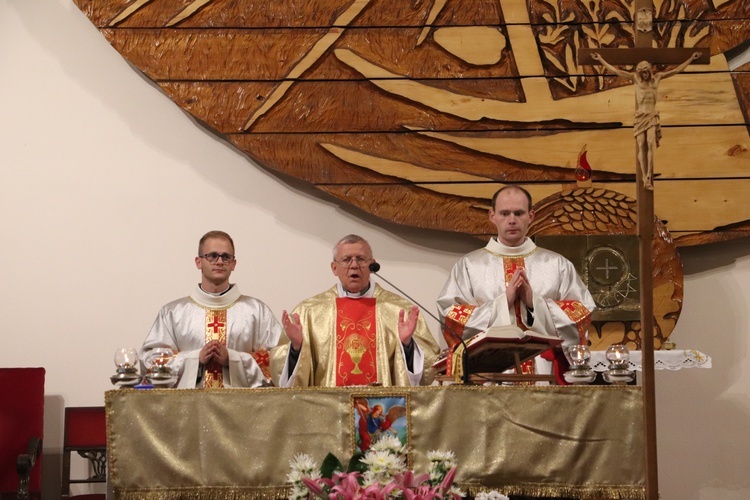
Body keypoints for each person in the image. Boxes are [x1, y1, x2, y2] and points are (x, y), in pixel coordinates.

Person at [437, 186, 596, 381]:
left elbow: (581, 312)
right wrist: (502, 303)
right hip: (490, 374)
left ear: (531, 216)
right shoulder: (469, 265)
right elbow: (451, 316)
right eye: (504, 213)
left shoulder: (556, 264)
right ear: (492, 216)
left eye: (519, 213)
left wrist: (533, 304)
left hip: (544, 372)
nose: (512, 220)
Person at [270, 234, 441, 387]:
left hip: (382, 409)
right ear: (334, 268)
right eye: (346, 260)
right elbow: (282, 374)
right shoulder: (309, 312)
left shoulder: (399, 310)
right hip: (330, 410)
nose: (354, 265)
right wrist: (296, 347)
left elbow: (428, 368)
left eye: (361, 259)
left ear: (372, 265)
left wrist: (407, 345)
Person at [140, 230, 282, 388]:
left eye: (226, 257)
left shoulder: (256, 311)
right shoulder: (173, 312)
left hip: (242, 407)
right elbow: (150, 362)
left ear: (233, 264)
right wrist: (194, 359)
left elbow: (279, 360)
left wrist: (232, 358)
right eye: (212, 256)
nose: (220, 261)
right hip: (189, 407)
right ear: (198, 262)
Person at [591, 51, 701, 190]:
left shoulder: (658, 78)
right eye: (641, 72)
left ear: (649, 70)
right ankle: (644, 176)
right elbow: (615, 71)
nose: (644, 74)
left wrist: (691, 58)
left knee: (650, 143)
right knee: (641, 144)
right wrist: (601, 59)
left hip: (651, 115)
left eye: (646, 72)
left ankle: (648, 175)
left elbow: (677, 70)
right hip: (640, 116)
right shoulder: (635, 79)